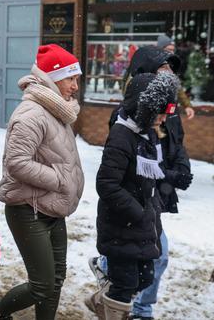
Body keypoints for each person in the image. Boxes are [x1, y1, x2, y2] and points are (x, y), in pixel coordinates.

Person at [86, 46, 192, 320]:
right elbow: (109, 181)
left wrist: (176, 174)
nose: (167, 75)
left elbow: (174, 146)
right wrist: (139, 210)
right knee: (134, 275)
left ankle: (107, 294)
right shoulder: (126, 128)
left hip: (149, 207)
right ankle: (126, 305)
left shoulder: (154, 126)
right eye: (162, 70)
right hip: (127, 218)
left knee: (145, 272)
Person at [0, 44, 85, 320]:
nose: (75, 86)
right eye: (71, 79)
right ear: (53, 78)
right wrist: (59, 179)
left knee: (56, 278)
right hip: (28, 210)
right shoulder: (32, 114)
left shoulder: (58, 110)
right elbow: (17, 162)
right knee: (43, 285)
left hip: (52, 208)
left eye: (76, 79)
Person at [156, 35, 195, 120]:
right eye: (169, 49)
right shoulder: (152, 64)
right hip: (155, 111)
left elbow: (177, 87)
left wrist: (187, 105)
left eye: (173, 50)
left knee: (174, 131)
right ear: (160, 49)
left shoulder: (172, 64)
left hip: (171, 109)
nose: (172, 52)